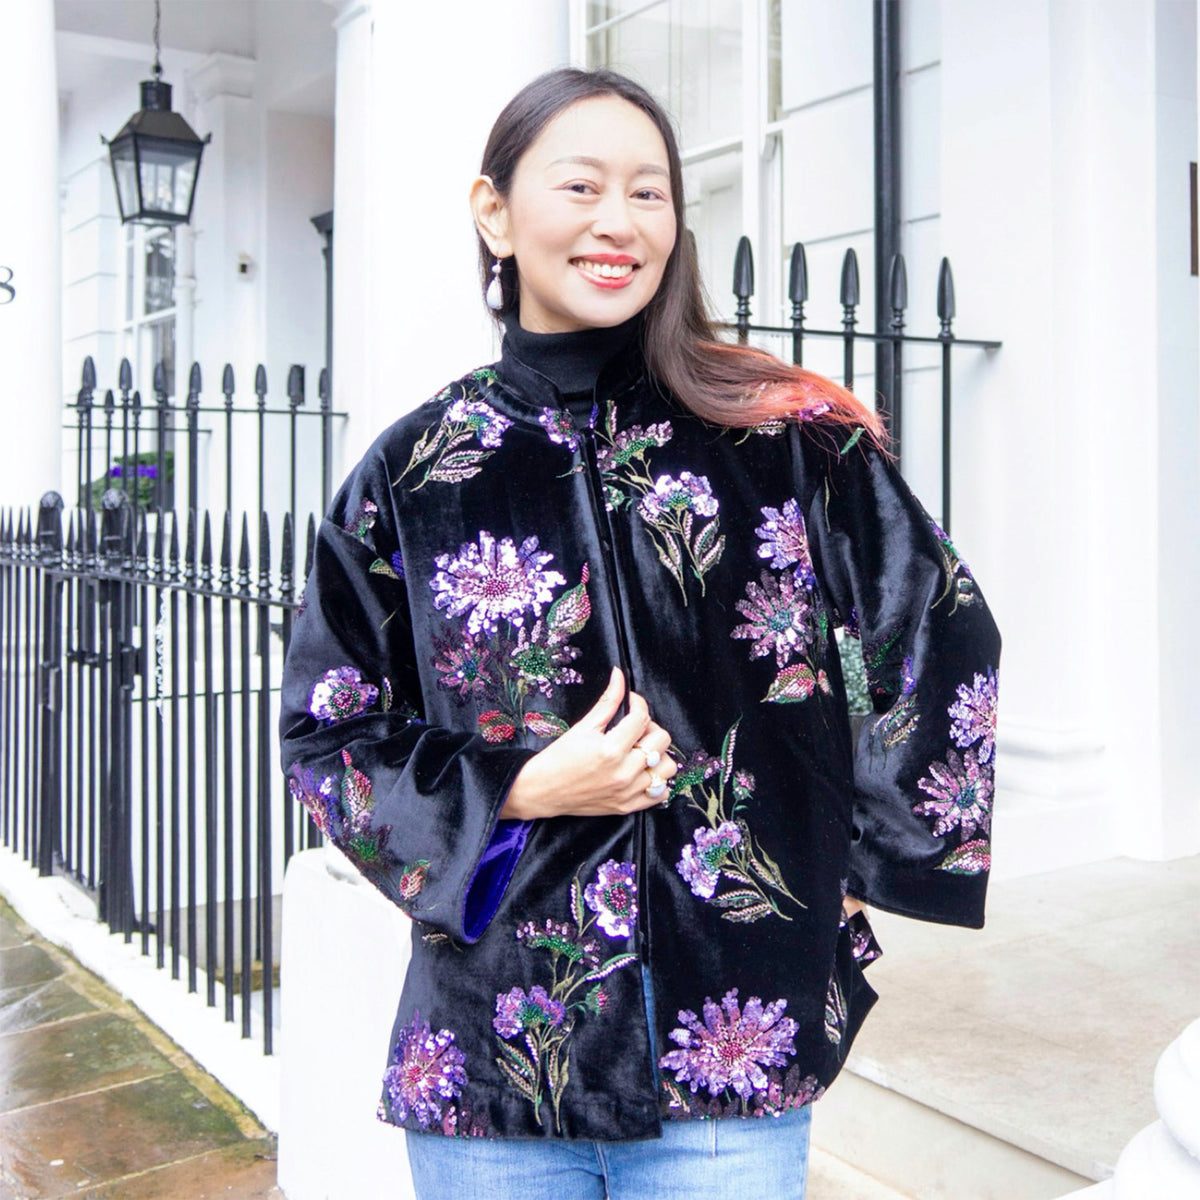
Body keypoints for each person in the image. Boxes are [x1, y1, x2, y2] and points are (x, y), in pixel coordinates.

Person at [278, 68, 1001, 1200]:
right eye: (581, 186)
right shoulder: (415, 472)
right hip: (492, 1061)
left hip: (731, 1046)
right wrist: (518, 788)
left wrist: (859, 872)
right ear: (495, 213)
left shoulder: (786, 436)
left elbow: (938, 631)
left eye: (649, 192)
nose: (618, 221)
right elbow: (328, 731)